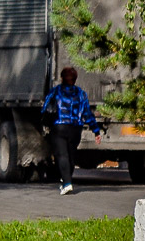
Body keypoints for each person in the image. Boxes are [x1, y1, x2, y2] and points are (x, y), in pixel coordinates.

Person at [41, 67, 102, 195]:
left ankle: (67, 183)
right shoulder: (81, 93)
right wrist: (96, 131)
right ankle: (66, 180)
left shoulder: (56, 91)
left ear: (62, 78)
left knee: (62, 155)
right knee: (71, 155)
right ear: (75, 80)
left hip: (59, 127)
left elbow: (45, 108)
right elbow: (87, 114)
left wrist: (45, 121)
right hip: (75, 129)